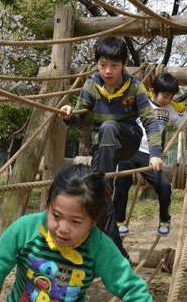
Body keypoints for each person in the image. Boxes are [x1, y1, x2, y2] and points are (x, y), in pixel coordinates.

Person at [0, 164, 152, 302]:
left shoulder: (98, 246)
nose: (63, 228)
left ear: (93, 221)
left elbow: (131, 287)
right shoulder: (25, 229)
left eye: (76, 221)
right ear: (48, 205)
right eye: (56, 215)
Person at [61, 36, 163, 257]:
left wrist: (155, 154)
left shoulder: (134, 87)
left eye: (114, 65)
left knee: (108, 127)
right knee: (99, 199)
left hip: (128, 140)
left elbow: (150, 121)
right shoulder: (91, 85)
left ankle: (102, 188)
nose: (108, 71)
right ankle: (116, 250)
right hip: (105, 146)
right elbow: (81, 115)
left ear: (124, 64)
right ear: (97, 63)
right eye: (103, 65)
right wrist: (69, 115)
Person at [113, 73, 187, 237]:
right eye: (164, 96)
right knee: (122, 183)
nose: (168, 100)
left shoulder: (169, 110)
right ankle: (118, 221)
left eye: (171, 97)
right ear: (153, 91)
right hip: (129, 149)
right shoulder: (142, 102)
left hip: (150, 154)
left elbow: (181, 125)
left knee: (163, 185)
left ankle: (164, 219)